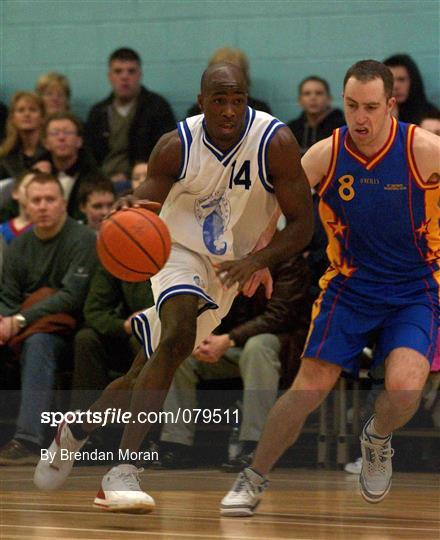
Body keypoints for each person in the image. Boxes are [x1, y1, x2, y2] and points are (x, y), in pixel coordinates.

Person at [34, 62, 314, 513]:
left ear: (248, 100)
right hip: (173, 251)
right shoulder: (175, 145)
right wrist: (129, 214)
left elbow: (303, 224)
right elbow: (146, 210)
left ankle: (75, 429)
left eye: (237, 100)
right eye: (218, 101)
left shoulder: (275, 142)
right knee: (180, 332)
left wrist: (260, 259)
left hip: (228, 268)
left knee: (143, 370)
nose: (228, 110)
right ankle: (123, 470)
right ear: (201, 102)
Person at [221, 59, 439, 515]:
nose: (360, 118)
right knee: (307, 388)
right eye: (352, 105)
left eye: (371, 107)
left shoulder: (422, 149)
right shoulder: (325, 153)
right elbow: (275, 209)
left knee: (403, 389)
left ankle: (376, 438)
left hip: (414, 289)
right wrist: (261, 259)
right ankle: (253, 476)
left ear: (391, 105)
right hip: (351, 286)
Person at [157, 253, 311, 469]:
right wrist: (205, 337)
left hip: (281, 348)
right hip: (229, 346)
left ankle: (254, 446)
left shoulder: (289, 261)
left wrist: (229, 339)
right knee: (182, 355)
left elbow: (280, 316)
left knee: (257, 347)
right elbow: (210, 305)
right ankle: (175, 445)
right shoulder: (223, 255)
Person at [0, 172, 97, 464]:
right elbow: (8, 295)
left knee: (39, 342)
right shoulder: (20, 244)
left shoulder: (82, 239)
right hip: (23, 326)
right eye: (37, 200)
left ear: (63, 204)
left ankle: (28, 441)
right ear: (26, 206)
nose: (43, 206)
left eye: (50, 199)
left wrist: (19, 321)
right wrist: (5, 321)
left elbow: (71, 297)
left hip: (70, 329)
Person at [71, 262, 154, 412]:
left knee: (143, 342)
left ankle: (146, 426)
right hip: (129, 333)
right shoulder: (120, 255)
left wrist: (151, 317)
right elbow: (94, 311)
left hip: (165, 331)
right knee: (86, 339)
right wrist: (123, 326)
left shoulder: (181, 255)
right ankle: (81, 426)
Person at [85, 47, 176, 183]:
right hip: (103, 182)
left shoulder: (157, 108)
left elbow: (167, 152)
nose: (124, 77)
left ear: (140, 75)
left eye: (131, 71)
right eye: (118, 71)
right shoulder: (98, 112)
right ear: (110, 76)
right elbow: (90, 156)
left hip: (144, 179)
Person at [43, 112, 103, 220]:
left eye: (67, 133)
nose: (61, 138)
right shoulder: (37, 175)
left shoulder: (96, 178)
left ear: (79, 141)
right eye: (55, 133)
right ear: (46, 143)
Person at [187, 47, 272, 117]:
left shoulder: (260, 111)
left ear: (245, 76)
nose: (229, 113)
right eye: (222, 73)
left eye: (234, 72)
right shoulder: (196, 113)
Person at [287, 76, 345, 155]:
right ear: (300, 100)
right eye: (307, 94)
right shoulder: (292, 129)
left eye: (319, 93)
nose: (313, 98)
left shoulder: (341, 128)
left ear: (329, 99)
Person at [0, 92, 47, 180]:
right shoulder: (5, 155)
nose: (27, 114)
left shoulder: (51, 152)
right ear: (12, 118)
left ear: (42, 118)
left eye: (33, 110)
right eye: (21, 110)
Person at [383, 54, 439, 125]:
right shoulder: (376, 114)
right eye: (390, 81)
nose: (395, 86)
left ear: (413, 81)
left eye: (401, 80)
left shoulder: (431, 115)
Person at [0, 171, 34, 244]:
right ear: (15, 193)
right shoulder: (2, 230)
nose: (33, 191)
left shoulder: (48, 228)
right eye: (28, 186)